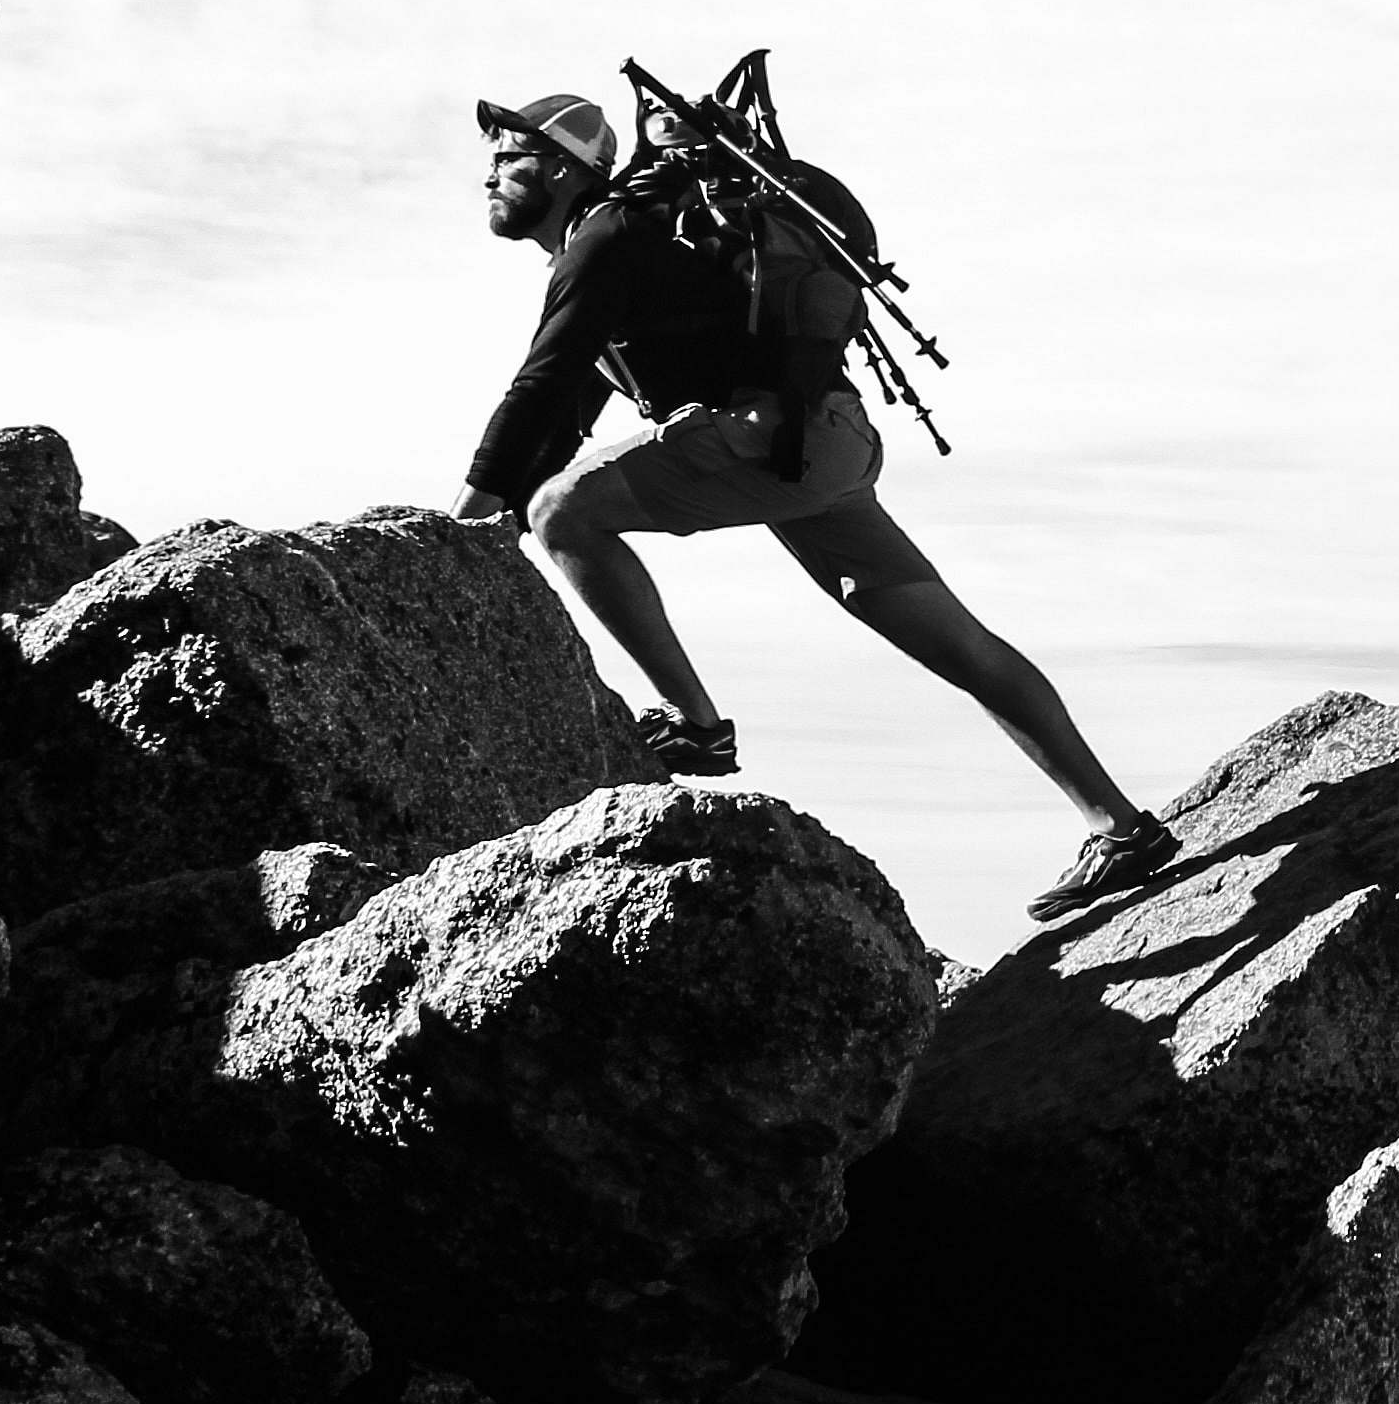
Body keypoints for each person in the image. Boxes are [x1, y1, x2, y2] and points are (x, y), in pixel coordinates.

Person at [453, 89, 1181, 921]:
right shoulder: (628, 241)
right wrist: (482, 528)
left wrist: (458, 528)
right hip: (826, 439)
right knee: (958, 645)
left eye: (505, 160)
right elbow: (568, 409)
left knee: (563, 512)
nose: (489, 178)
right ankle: (1120, 826)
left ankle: (697, 725)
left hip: (778, 439)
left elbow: (540, 390)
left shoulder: (608, 236)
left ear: (559, 167)